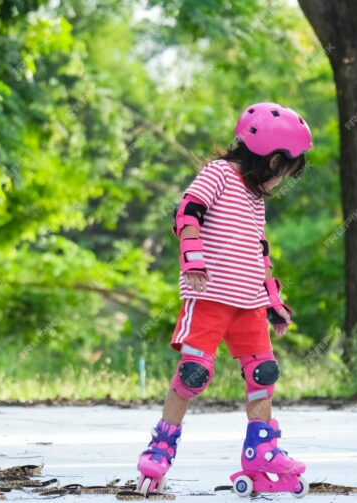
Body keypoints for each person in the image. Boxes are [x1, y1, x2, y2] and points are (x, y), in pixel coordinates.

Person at [135, 102, 312, 497]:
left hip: (248, 304)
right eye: (285, 172)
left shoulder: (256, 199)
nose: (282, 182)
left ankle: (262, 452)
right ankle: (160, 449)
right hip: (210, 296)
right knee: (193, 374)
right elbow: (187, 212)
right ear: (272, 160)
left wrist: (272, 302)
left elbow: (259, 251)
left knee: (264, 375)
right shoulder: (218, 174)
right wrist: (192, 254)